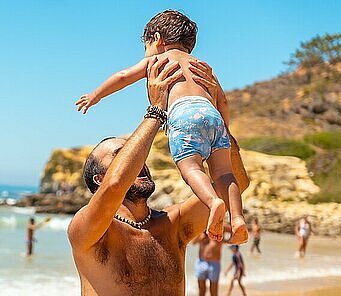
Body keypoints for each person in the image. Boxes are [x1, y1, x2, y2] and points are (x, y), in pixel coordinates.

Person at [67, 56, 250, 296]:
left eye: (140, 157)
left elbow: (236, 180)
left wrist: (219, 123)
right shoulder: (88, 231)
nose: (142, 161)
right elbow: (114, 186)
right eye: (123, 155)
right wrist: (155, 112)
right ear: (98, 178)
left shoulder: (172, 225)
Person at [76, 10, 247, 245]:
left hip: (184, 115)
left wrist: (96, 95)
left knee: (192, 169)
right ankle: (237, 220)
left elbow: (124, 76)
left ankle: (212, 201)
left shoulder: (157, 61)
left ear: (156, 39)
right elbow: (223, 101)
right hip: (213, 115)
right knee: (225, 174)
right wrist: (223, 128)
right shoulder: (203, 66)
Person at [191, 231, 227, 296]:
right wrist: (200, 237)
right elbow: (193, 243)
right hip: (201, 263)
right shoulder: (202, 232)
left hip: (214, 264)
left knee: (214, 294)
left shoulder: (218, 231)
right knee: (201, 292)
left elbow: (230, 231)